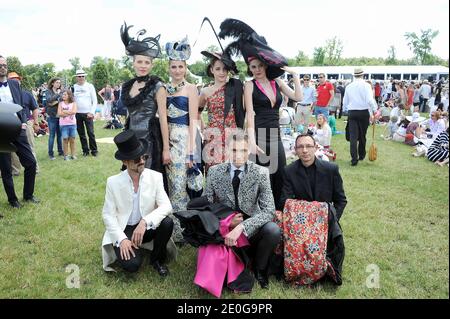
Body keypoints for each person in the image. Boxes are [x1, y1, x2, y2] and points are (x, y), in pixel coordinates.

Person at [219, 18, 302, 210]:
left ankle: (277, 213)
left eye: (259, 66)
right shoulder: (249, 85)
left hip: (275, 135)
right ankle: (257, 214)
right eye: (252, 67)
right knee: (259, 177)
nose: (256, 70)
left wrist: (295, 75)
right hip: (259, 135)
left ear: (265, 65)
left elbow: (298, 96)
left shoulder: (278, 83)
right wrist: (252, 143)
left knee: (279, 173)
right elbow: (250, 114)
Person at [203, 131, 281, 289]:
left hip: (251, 229)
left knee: (273, 230)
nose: (239, 155)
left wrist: (241, 227)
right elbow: (207, 206)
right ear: (227, 151)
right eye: (234, 150)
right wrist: (226, 222)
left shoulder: (261, 172)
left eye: (244, 150)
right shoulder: (214, 172)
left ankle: (260, 269)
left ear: (249, 151)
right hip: (225, 230)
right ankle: (234, 261)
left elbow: (269, 210)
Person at [101, 130, 173, 274]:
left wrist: (145, 222)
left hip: (145, 226)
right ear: (125, 162)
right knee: (132, 266)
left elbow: (166, 206)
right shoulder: (113, 182)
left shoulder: (155, 177)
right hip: (125, 229)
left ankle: (157, 259)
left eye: (143, 157)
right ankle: (130, 248)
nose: (141, 161)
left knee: (167, 222)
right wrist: (122, 240)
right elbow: (108, 215)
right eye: (136, 159)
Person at [279, 133, 347, 285]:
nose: (305, 150)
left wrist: (331, 220)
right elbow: (284, 201)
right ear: (295, 150)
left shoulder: (331, 169)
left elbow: (341, 200)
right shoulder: (289, 171)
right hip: (299, 225)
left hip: (324, 223)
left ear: (316, 148)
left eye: (308, 146)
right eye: (300, 147)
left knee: (336, 242)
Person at [119, 22, 170, 178]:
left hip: (149, 141)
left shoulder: (157, 86)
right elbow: (129, 116)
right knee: (132, 181)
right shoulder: (127, 85)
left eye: (147, 62)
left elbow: (163, 119)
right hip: (131, 141)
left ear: (152, 65)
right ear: (133, 62)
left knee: (148, 182)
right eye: (139, 61)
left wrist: (166, 149)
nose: (143, 66)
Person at [163, 37, 199, 243]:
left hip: (185, 140)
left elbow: (194, 120)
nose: (177, 70)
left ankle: (183, 231)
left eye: (181, 66)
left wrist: (190, 150)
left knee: (183, 186)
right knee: (171, 185)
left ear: (186, 68)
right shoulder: (163, 89)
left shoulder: (192, 89)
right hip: (167, 140)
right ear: (168, 68)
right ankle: (173, 229)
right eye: (173, 66)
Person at [0, 55, 39, 208]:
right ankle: (12, 200)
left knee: (30, 162)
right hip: (1, 133)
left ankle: (28, 195)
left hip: (17, 128)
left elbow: (21, 105)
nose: (3, 67)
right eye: (0, 65)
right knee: (6, 168)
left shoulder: (14, 85)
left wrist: (23, 122)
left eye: (4, 64)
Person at [198, 50, 244, 173]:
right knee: (214, 172)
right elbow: (197, 112)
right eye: (218, 69)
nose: (222, 72)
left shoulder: (235, 88)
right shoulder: (205, 91)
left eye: (225, 69)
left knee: (233, 173)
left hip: (232, 136)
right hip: (213, 137)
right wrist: (203, 128)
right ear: (212, 70)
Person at [343, 68, 377, 166]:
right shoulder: (366, 85)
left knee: (353, 137)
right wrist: (374, 110)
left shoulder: (349, 86)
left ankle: (354, 159)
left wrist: (346, 110)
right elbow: (370, 99)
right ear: (363, 75)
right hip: (363, 112)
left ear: (354, 75)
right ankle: (361, 155)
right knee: (362, 135)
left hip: (352, 112)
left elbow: (345, 101)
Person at [7, 72, 40, 175]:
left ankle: (35, 168)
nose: (15, 81)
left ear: (20, 81)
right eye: (12, 79)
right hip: (10, 124)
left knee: (29, 145)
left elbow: (35, 108)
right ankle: (15, 170)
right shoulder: (5, 94)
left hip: (27, 122)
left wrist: (36, 123)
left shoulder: (26, 94)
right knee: (12, 148)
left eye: (17, 79)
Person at [73, 69, 98, 157]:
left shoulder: (90, 86)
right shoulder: (74, 87)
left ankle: (94, 150)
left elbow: (95, 100)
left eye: (83, 76)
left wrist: (92, 112)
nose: (81, 78)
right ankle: (85, 150)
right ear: (76, 77)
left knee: (90, 132)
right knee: (81, 134)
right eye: (79, 76)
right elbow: (72, 100)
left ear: (85, 77)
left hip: (88, 113)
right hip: (77, 113)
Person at [45, 77, 64, 159]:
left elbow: (62, 101)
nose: (58, 84)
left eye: (59, 82)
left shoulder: (61, 91)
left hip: (60, 116)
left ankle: (60, 151)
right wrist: (58, 96)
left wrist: (55, 102)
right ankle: (51, 154)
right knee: (52, 135)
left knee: (59, 135)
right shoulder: (48, 91)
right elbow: (49, 101)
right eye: (56, 82)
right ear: (52, 83)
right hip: (52, 116)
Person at [57, 90, 78, 160]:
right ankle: (66, 156)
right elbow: (59, 114)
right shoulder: (60, 104)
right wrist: (70, 112)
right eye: (63, 95)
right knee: (65, 139)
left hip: (72, 124)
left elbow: (74, 112)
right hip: (63, 125)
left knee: (72, 140)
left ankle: (73, 155)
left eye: (65, 95)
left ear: (69, 95)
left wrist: (65, 111)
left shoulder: (73, 103)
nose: (63, 96)